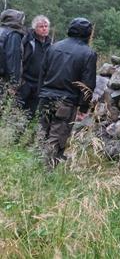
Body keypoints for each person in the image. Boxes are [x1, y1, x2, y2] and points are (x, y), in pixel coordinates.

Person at [38, 17, 97, 169]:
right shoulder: (88, 53)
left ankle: (35, 167)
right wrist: (84, 108)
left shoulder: (53, 47)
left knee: (42, 132)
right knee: (57, 138)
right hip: (67, 103)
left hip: (45, 97)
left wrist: (41, 93)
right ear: (88, 34)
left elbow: (42, 73)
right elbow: (87, 84)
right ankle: (44, 173)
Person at [18, 15, 52, 117]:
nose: (44, 29)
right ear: (35, 28)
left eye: (46, 26)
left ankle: (24, 132)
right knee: (18, 108)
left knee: (31, 111)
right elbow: (20, 58)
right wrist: (20, 79)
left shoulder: (50, 44)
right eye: (41, 26)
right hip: (25, 81)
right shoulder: (27, 40)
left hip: (39, 84)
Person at [0, 9, 26, 101]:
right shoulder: (14, 34)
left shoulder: (1, 31)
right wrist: (13, 84)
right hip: (4, 80)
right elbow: (13, 60)